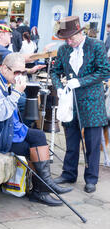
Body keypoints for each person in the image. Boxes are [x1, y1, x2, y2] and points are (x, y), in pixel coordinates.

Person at [0, 53, 73, 206]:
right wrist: (16, 92)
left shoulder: (4, 80)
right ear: (4, 68)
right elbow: (0, 115)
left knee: (38, 136)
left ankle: (44, 187)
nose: (20, 75)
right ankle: (41, 190)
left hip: (4, 129)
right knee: (29, 147)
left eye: (23, 72)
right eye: (17, 72)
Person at [51, 16, 110, 193]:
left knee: (92, 143)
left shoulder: (96, 45)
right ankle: (69, 173)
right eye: (66, 38)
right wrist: (59, 88)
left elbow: (104, 71)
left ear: (80, 31)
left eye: (72, 37)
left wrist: (80, 81)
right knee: (71, 140)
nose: (69, 41)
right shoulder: (63, 50)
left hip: (92, 101)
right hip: (70, 101)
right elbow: (55, 71)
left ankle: (91, 178)